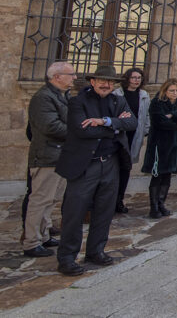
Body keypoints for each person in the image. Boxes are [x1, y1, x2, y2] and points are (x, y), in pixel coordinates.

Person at [56, 65, 137, 276]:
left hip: (110, 163)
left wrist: (104, 121)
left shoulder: (117, 100)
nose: (106, 84)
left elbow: (132, 122)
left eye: (110, 81)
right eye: (102, 80)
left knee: (104, 210)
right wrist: (114, 127)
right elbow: (82, 129)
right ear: (92, 81)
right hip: (86, 164)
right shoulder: (78, 102)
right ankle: (66, 258)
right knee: (75, 213)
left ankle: (96, 251)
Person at [22, 61, 73, 258]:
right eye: (70, 74)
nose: (74, 77)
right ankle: (31, 242)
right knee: (40, 200)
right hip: (47, 156)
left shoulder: (61, 96)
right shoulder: (43, 97)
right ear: (57, 76)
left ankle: (43, 235)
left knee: (52, 199)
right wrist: (77, 133)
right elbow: (50, 127)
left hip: (59, 156)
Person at [141, 79, 177, 217]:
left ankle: (161, 203)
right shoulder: (157, 104)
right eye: (171, 90)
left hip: (175, 146)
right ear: (165, 91)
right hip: (160, 145)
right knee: (157, 175)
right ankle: (154, 206)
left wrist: (173, 116)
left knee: (167, 176)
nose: (174, 93)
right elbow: (161, 122)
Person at [113, 67, 149, 214]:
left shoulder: (144, 95)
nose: (136, 80)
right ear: (127, 79)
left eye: (139, 78)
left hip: (134, 135)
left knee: (126, 169)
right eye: (133, 77)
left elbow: (146, 116)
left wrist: (146, 129)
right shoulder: (117, 94)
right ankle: (111, 200)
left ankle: (119, 199)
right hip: (118, 135)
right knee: (114, 169)